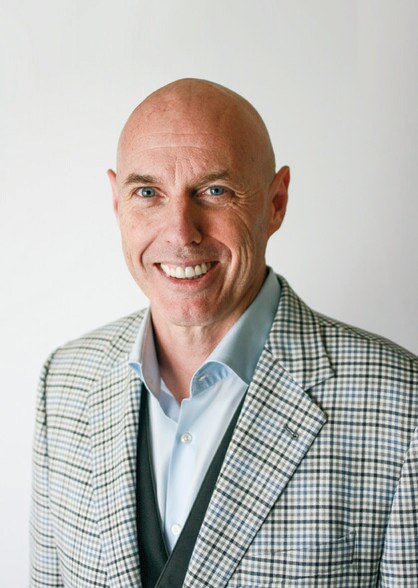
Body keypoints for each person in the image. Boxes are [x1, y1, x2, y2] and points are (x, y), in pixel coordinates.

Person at [30, 79, 417, 588]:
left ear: (276, 202)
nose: (180, 232)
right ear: (118, 203)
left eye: (214, 191)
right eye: (147, 192)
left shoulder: (402, 408)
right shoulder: (63, 382)